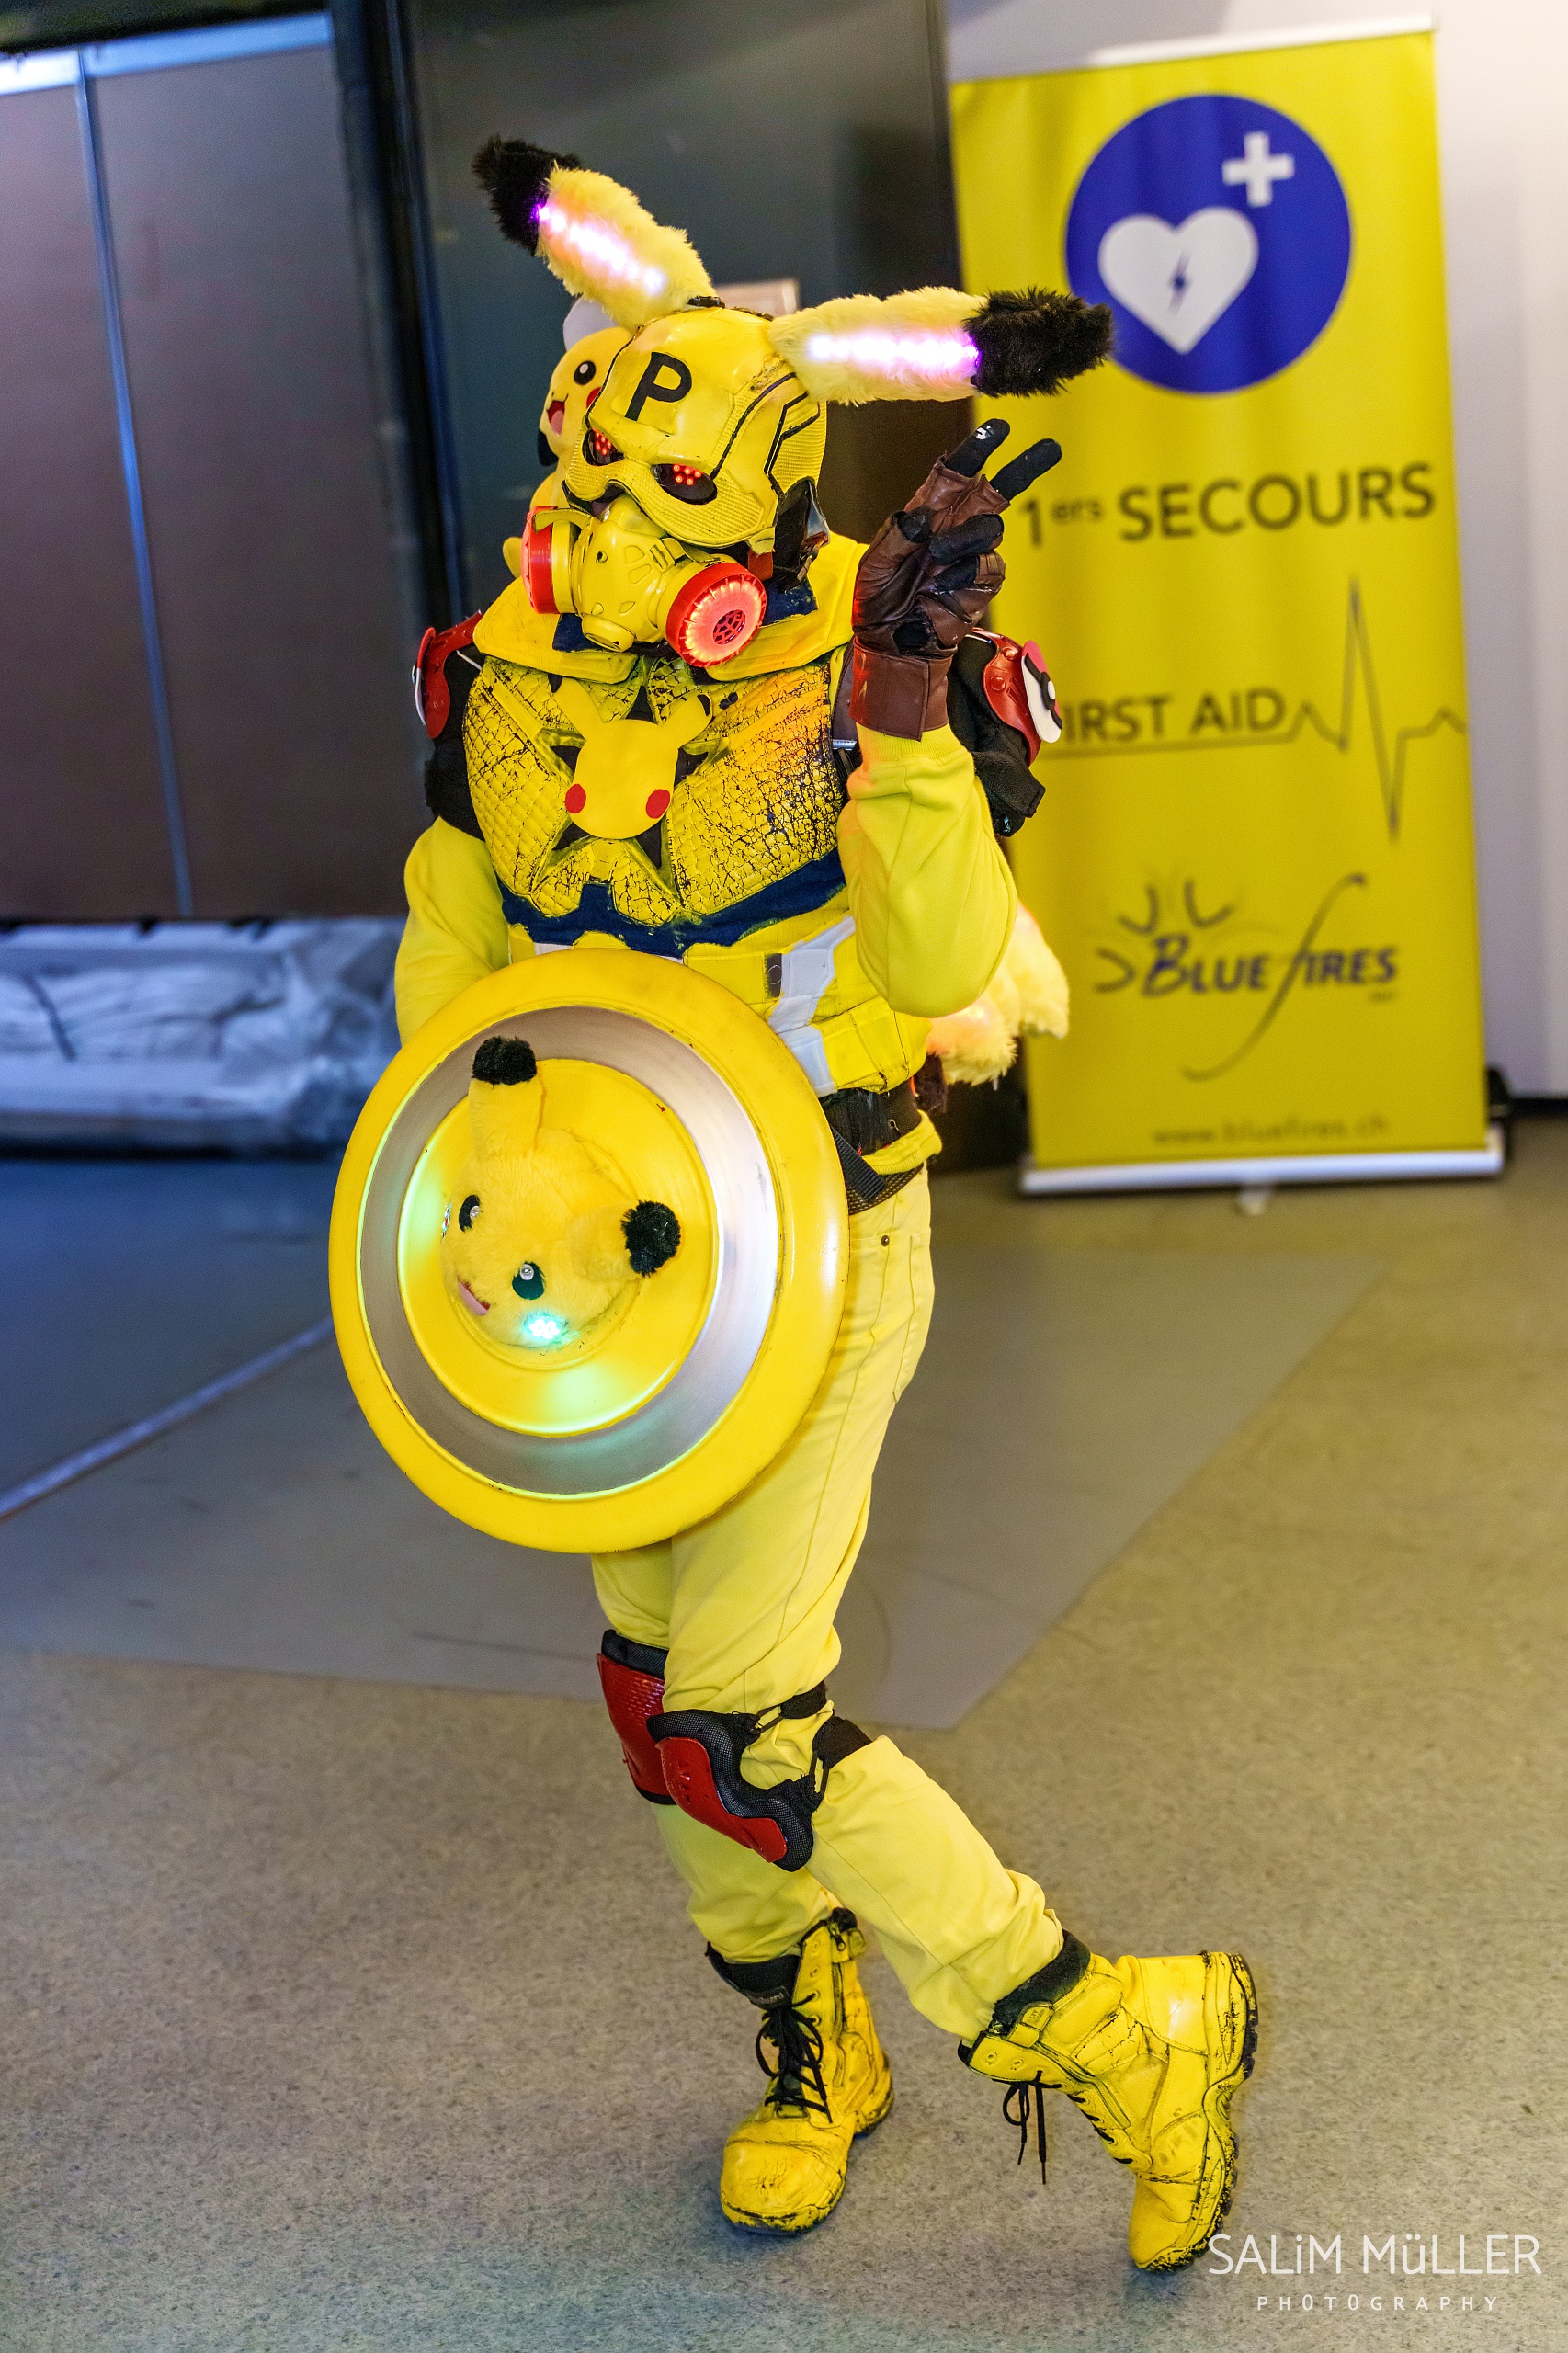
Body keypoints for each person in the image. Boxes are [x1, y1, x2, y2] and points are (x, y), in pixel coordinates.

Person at [396, 137, 1256, 2272]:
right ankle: (814, 2038)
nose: (604, 520)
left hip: (821, 1241)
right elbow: (452, 945)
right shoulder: (504, 677)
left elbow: (951, 962)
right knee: (659, 1707)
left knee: (737, 1719)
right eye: (586, 472)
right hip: (598, 1278)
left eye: (649, 487)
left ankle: (1122, 2027)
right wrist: (461, 1176)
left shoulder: (856, 663)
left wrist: (904, 708)